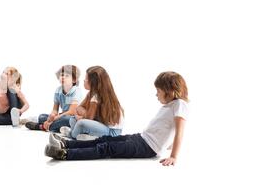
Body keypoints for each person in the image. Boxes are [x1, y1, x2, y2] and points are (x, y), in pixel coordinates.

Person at [45, 71, 188, 166]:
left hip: (147, 147)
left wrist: (174, 156)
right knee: (104, 140)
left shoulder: (179, 104)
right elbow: (168, 128)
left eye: (158, 91)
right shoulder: (172, 105)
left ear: (170, 92)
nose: (156, 95)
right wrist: (167, 144)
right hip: (142, 138)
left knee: (107, 148)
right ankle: (66, 144)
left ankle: (65, 154)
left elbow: (180, 132)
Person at [59, 66, 124, 140]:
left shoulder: (97, 97)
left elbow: (89, 118)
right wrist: (83, 114)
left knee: (81, 123)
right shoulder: (91, 94)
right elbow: (79, 108)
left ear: (94, 83)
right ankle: (88, 137)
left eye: (86, 79)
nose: (84, 80)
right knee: (72, 119)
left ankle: (72, 134)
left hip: (112, 132)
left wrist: (82, 116)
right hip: (100, 125)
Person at [25, 65, 82, 132]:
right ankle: (57, 127)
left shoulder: (76, 91)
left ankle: (42, 126)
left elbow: (71, 112)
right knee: (41, 117)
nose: (63, 77)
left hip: (72, 117)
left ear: (74, 80)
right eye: (62, 75)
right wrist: (52, 116)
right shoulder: (58, 90)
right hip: (61, 116)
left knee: (66, 120)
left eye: (67, 76)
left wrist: (55, 118)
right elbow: (55, 109)